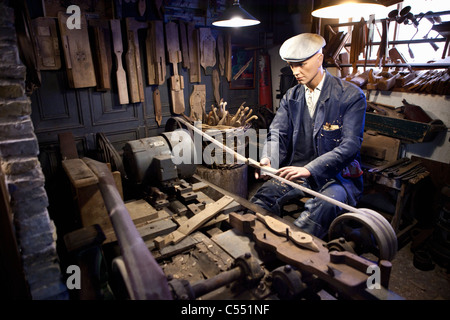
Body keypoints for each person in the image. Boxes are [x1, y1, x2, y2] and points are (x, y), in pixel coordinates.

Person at [250, 33, 367, 239]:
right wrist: (268, 159)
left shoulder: (351, 96)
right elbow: (278, 134)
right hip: (298, 171)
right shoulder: (292, 96)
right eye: (291, 65)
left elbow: (350, 146)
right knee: (261, 201)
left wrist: (309, 169)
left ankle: (293, 258)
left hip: (337, 178)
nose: (295, 72)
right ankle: (265, 244)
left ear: (319, 59)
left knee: (311, 220)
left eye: (301, 64)